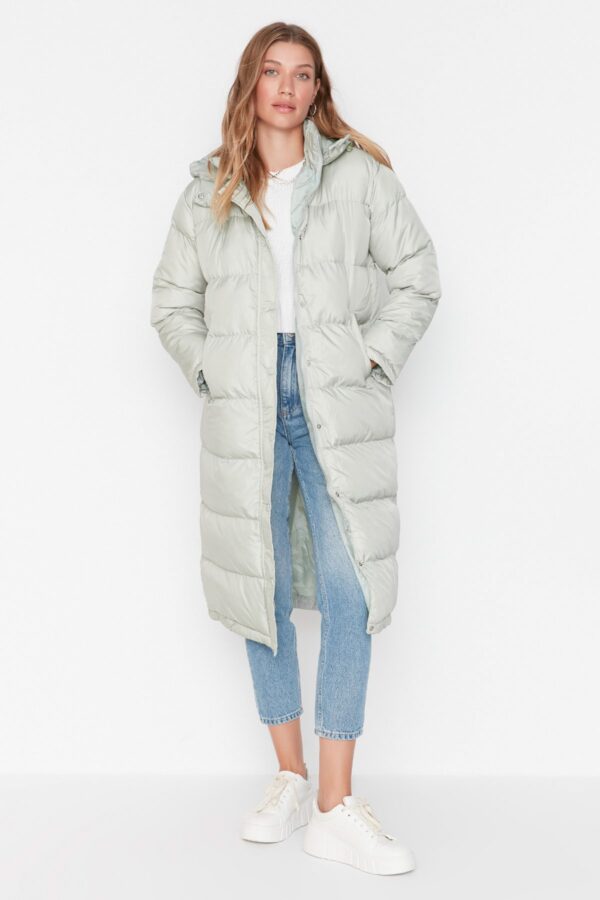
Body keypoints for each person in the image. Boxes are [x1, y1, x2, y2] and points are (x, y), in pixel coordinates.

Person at [150, 22, 441, 876]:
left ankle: (333, 805)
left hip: (332, 396)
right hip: (247, 401)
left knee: (352, 589)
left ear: (318, 90)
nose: (286, 87)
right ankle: (289, 775)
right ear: (251, 83)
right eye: (272, 72)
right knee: (261, 583)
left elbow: (419, 273)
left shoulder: (358, 176)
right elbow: (171, 303)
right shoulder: (208, 190)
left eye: (302, 74)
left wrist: (372, 357)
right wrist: (212, 371)